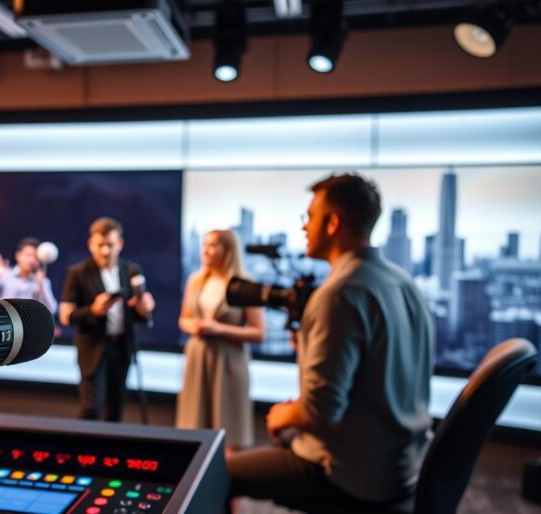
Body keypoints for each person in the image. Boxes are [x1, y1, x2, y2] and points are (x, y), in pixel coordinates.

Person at [227, 173, 434, 507]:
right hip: (402, 463)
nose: (304, 227)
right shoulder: (403, 282)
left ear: (333, 222)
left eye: (310, 217)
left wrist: (282, 414)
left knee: (216, 473)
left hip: (350, 473)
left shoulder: (338, 294)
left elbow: (318, 412)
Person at [176, 229, 266, 457]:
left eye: (212, 245)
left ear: (228, 251)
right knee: (194, 428)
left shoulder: (246, 285)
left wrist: (218, 329)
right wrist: (193, 326)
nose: (205, 250)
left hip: (229, 363)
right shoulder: (195, 281)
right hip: (198, 359)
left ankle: (231, 489)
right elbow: (184, 318)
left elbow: (258, 333)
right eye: (204, 244)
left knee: (230, 430)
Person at [60, 217, 155, 422]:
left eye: (110, 245)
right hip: (92, 349)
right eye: (100, 245)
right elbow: (66, 316)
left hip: (121, 347)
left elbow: (140, 313)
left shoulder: (131, 270)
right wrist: (93, 310)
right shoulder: (78, 273)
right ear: (90, 245)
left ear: (119, 244)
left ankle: (110, 455)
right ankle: (86, 454)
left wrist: (144, 308)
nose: (105, 251)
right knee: (91, 409)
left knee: (115, 410)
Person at [0, 237, 57, 314]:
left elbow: (51, 310)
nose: (32, 260)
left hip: (27, 323)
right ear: (18, 255)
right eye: (28, 255)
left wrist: (41, 286)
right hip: (4, 320)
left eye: (36, 257)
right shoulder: (3, 275)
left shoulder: (42, 282)